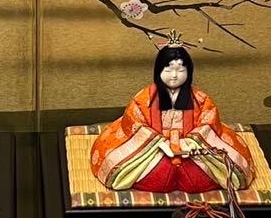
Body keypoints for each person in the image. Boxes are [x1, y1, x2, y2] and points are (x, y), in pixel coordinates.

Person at [90, 36, 255, 193]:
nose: (174, 75)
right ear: (159, 70)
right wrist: (158, 142)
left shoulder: (200, 99)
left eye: (180, 70)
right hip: (153, 151)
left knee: (201, 174)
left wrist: (191, 142)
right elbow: (134, 123)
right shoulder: (144, 99)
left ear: (189, 71)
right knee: (155, 173)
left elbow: (209, 123)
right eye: (168, 69)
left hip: (192, 151)